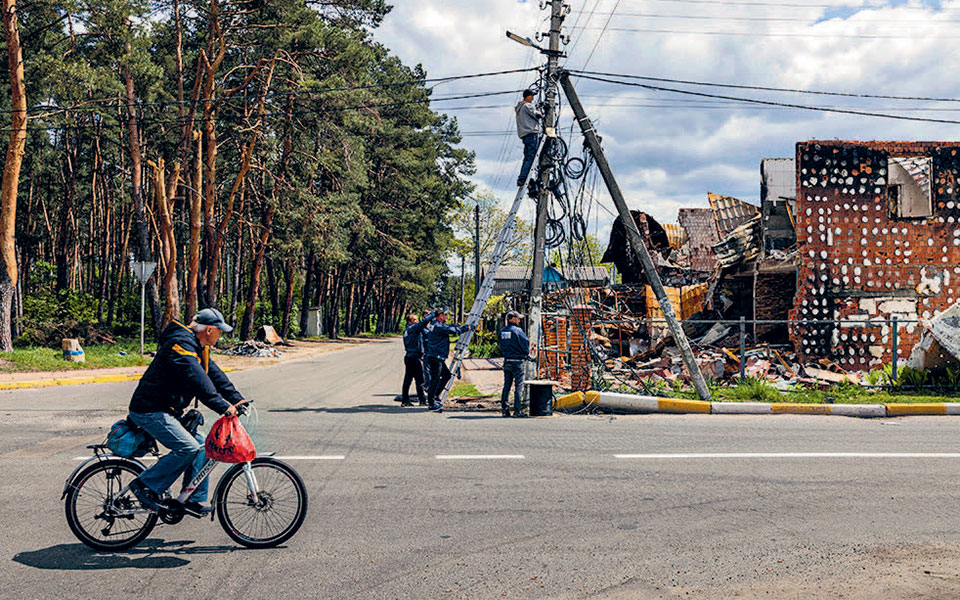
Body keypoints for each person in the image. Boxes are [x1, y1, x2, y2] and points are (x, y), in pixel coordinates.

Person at [125, 308, 244, 516]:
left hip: (167, 410)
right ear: (209, 330)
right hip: (150, 409)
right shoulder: (180, 344)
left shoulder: (197, 346)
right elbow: (197, 380)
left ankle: (193, 499)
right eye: (219, 331)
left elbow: (214, 375)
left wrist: (236, 398)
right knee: (187, 448)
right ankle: (144, 486)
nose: (221, 335)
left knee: (204, 446)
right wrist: (222, 406)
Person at [423, 308, 473, 413]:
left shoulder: (436, 324)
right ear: (440, 316)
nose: (447, 317)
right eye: (446, 315)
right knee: (435, 380)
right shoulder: (438, 326)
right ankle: (431, 403)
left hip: (436, 356)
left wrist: (458, 327)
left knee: (446, 376)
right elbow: (452, 330)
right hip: (436, 357)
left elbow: (449, 327)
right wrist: (467, 328)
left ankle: (435, 395)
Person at [498, 310, 536, 418]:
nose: (519, 320)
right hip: (518, 362)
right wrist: (525, 353)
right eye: (518, 318)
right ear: (512, 319)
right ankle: (517, 411)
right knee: (519, 387)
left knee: (507, 386)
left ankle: (505, 410)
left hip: (507, 361)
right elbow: (525, 345)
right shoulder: (518, 331)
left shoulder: (502, 331)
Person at [400, 310, 436, 407]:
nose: (417, 321)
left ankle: (405, 400)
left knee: (408, 380)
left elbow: (427, 332)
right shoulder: (413, 328)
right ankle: (422, 401)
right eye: (415, 319)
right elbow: (423, 323)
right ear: (410, 322)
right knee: (420, 380)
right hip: (414, 357)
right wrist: (434, 314)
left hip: (409, 357)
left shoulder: (408, 330)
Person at [515, 88, 542, 187]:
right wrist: (541, 110)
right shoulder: (527, 105)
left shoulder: (520, 107)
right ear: (528, 96)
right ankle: (523, 178)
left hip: (525, 135)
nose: (533, 98)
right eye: (532, 96)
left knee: (527, 157)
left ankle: (522, 177)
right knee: (531, 156)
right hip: (531, 133)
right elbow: (537, 115)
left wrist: (535, 107)